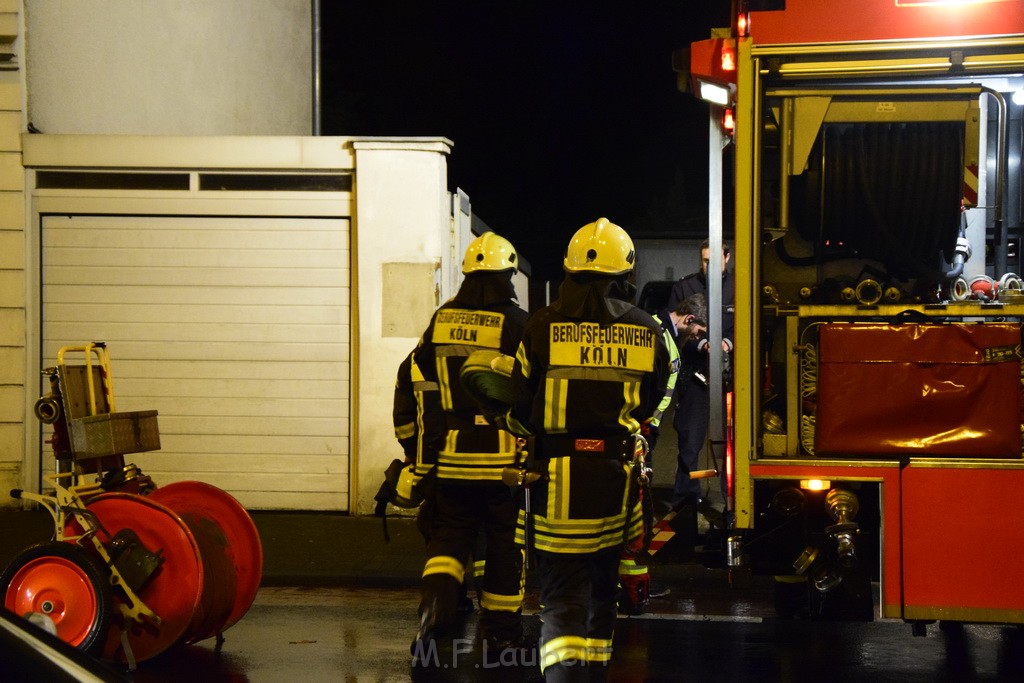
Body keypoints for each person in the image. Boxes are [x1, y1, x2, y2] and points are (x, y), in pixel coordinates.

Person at [505, 217, 672, 681]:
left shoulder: (540, 326)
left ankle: (562, 675)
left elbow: (518, 406)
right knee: (603, 589)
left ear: (570, 272)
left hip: (556, 483)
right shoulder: (647, 330)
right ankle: (594, 671)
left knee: (561, 597)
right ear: (627, 273)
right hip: (614, 483)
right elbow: (655, 397)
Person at [410, 232, 529, 660]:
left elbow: (418, 382)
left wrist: (421, 455)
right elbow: (529, 388)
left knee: (450, 538)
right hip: (502, 454)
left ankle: (433, 607)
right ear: (508, 275)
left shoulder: (440, 320)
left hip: (454, 453)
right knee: (502, 544)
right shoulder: (517, 323)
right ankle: (501, 635)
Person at [667, 240, 734, 516]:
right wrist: (702, 346)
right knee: (690, 440)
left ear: (727, 258)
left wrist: (728, 343)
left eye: (715, 260)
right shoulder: (684, 288)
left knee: (730, 445)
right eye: (705, 260)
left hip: (731, 377)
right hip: (696, 376)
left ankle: (730, 500)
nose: (709, 266)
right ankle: (685, 501)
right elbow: (675, 331)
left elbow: (751, 324)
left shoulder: (739, 287)